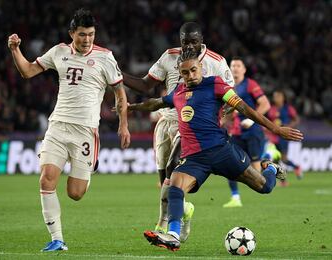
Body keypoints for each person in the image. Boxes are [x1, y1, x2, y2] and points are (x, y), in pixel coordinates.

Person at [126, 51, 303, 251]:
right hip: (194, 158)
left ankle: (270, 167)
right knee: (174, 186)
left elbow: (244, 108)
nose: (191, 75)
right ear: (180, 73)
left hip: (221, 151)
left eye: (194, 70)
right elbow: (155, 103)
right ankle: (173, 235)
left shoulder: (216, 85)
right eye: (185, 72)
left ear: (201, 67)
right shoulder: (178, 93)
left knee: (264, 187)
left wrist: (276, 129)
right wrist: (131, 107)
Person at [7, 9, 130, 251]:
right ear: (72, 33)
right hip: (58, 125)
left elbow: (119, 93)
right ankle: (57, 239)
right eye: (82, 35)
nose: (87, 40)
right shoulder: (59, 52)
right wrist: (14, 50)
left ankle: (89, 165)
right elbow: (28, 71)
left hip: (85, 131)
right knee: (47, 178)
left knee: (75, 193)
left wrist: (123, 124)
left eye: (91, 35)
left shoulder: (105, 58)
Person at [122, 22, 234, 242]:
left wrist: (216, 113)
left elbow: (230, 95)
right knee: (164, 177)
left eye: (194, 41)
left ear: (202, 39)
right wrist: (116, 75)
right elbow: (146, 85)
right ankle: (184, 211)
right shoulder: (169, 56)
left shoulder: (217, 62)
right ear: (179, 40)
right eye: (185, 41)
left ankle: (164, 226)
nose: (189, 45)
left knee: (174, 172)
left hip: (192, 125)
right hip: (166, 121)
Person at [222, 57, 271, 208]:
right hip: (237, 132)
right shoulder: (227, 87)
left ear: (244, 69)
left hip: (253, 131)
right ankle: (235, 198)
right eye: (233, 65)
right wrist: (222, 122)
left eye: (238, 65)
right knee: (229, 163)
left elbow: (265, 104)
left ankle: (269, 164)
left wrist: (252, 120)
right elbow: (228, 111)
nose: (235, 68)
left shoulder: (250, 84)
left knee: (256, 172)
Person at [267, 89, 302, 185]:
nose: (275, 98)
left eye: (278, 96)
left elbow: (297, 119)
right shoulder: (271, 108)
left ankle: (296, 167)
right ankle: (283, 181)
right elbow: (268, 121)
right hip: (274, 137)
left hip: (284, 137)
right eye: (274, 96)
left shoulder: (288, 108)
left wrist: (289, 126)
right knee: (275, 159)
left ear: (283, 98)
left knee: (283, 159)